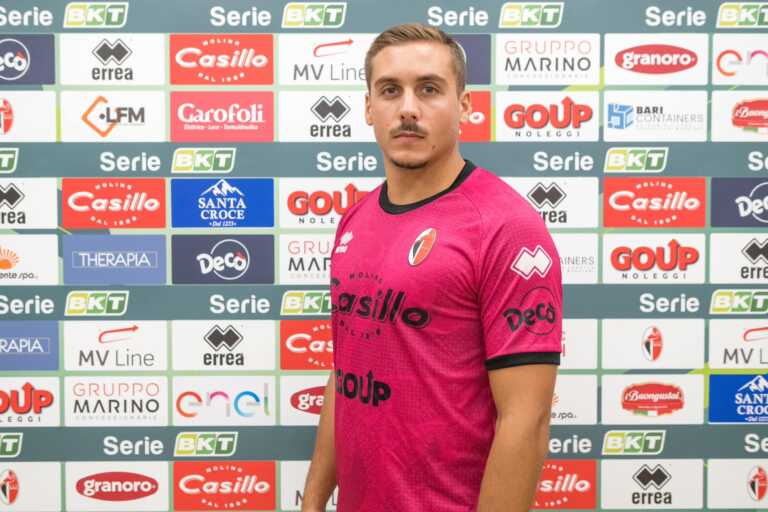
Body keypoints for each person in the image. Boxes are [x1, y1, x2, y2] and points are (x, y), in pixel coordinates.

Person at [301, 23, 561, 512]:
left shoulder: (506, 226)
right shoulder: (355, 220)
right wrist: (313, 499)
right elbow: (347, 372)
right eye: (390, 90)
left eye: (428, 89)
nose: (407, 109)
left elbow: (527, 422)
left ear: (464, 105)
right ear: (368, 108)